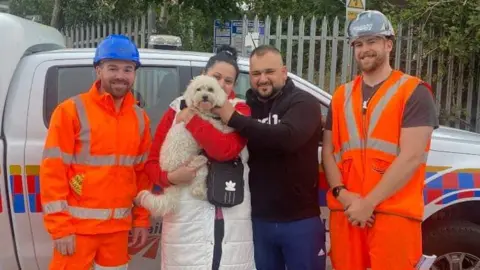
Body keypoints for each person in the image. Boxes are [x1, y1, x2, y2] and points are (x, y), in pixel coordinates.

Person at [321, 10, 439, 270]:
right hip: (348, 213)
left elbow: (411, 156)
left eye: (372, 41)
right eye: (359, 44)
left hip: (393, 216)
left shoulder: (414, 92)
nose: (365, 49)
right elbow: (328, 152)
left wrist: (369, 203)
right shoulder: (341, 96)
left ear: (388, 44)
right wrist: (343, 195)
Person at [40, 34, 152, 269]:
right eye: (112, 68)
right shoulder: (70, 111)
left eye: (128, 69)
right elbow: (53, 174)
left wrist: (141, 219)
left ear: (134, 73)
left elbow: (142, 176)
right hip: (76, 232)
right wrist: (60, 229)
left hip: (118, 233)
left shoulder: (140, 119)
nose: (120, 76)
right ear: (98, 70)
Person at [213, 45, 325, 270]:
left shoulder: (304, 103)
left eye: (269, 72)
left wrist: (234, 119)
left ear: (284, 72)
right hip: (257, 221)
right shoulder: (246, 107)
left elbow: (287, 138)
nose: (262, 79)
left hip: (300, 221)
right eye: (256, 74)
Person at [144, 45, 255, 270]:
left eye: (229, 81)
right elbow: (152, 164)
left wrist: (193, 120)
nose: (222, 85)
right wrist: (172, 178)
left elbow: (224, 150)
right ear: (204, 76)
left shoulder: (240, 111)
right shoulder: (176, 109)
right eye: (216, 77)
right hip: (185, 219)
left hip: (231, 219)